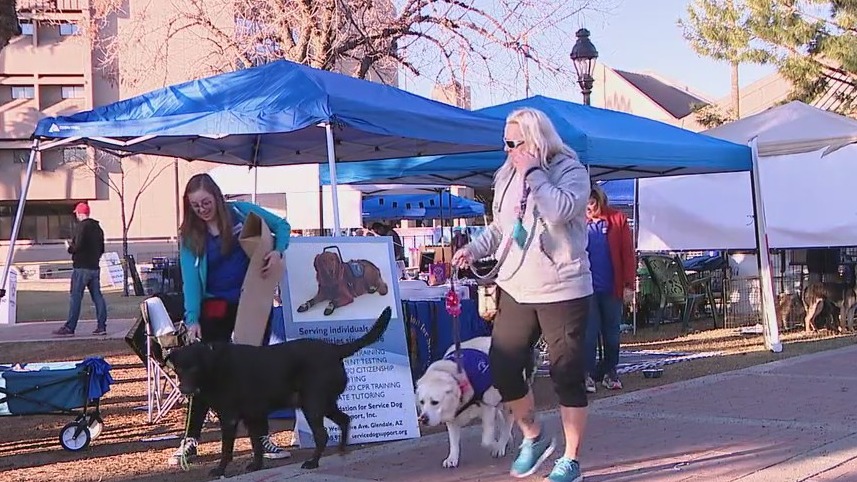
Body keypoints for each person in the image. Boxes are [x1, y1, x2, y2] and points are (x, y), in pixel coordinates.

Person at [451, 108, 592, 482]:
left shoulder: (570, 170)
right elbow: (501, 228)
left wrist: (534, 172)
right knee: (503, 364)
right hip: (517, 285)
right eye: (505, 143)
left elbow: (560, 210)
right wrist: (474, 250)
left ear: (537, 140)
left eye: (516, 143)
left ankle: (571, 460)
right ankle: (533, 434)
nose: (509, 149)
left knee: (566, 374)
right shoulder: (505, 176)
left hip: (563, 288)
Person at [168, 173, 292, 466]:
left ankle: (261, 438)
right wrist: (192, 317)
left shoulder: (241, 212)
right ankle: (191, 439)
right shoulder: (190, 235)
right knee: (202, 374)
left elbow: (281, 226)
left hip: (252, 304)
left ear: (218, 197)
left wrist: (277, 251)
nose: (202, 209)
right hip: (215, 308)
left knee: (254, 372)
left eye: (206, 202)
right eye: (195, 205)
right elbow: (190, 280)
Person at [583, 185, 635, 393]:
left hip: (612, 287)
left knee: (611, 333)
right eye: (585, 204)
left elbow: (627, 254)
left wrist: (629, 285)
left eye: (592, 203)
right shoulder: (578, 223)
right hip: (586, 288)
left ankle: (609, 371)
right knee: (588, 333)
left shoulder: (617, 219)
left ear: (599, 200)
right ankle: (586, 373)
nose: (589, 208)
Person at [53, 202, 108, 337]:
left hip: (81, 267)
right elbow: (102, 249)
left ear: (79, 213)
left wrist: (69, 248)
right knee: (97, 297)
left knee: (75, 297)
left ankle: (70, 327)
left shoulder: (81, 227)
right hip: (94, 267)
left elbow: (77, 246)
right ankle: (101, 326)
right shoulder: (98, 228)